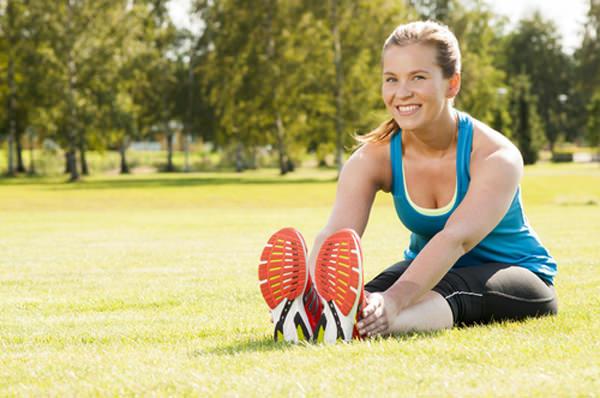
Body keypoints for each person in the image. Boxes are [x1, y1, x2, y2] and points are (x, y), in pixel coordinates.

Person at [258, 20, 558, 344]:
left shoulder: (495, 156)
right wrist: (318, 290)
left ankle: (359, 327)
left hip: (516, 275)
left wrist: (395, 300)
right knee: (369, 295)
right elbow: (337, 233)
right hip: (426, 269)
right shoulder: (375, 157)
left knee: (441, 290)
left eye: (418, 77)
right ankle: (318, 315)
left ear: (452, 84)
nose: (402, 93)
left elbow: (455, 240)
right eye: (391, 79)